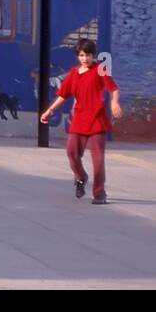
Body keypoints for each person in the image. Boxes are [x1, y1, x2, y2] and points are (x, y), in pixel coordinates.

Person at [40, 40, 121, 204]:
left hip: (97, 119)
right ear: (78, 56)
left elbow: (113, 88)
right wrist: (50, 110)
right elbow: (63, 94)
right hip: (79, 118)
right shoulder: (74, 73)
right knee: (71, 153)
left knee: (98, 159)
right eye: (82, 55)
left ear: (93, 55)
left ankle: (99, 193)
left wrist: (114, 102)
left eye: (88, 55)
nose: (85, 58)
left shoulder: (100, 69)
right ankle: (81, 177)